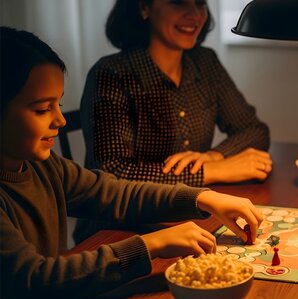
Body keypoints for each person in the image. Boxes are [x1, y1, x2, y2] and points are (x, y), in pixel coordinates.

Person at [0, 26, 263, 299]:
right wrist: (150, 245)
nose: (60, 120)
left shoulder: (44, 166)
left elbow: (113, 192)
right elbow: (36, 281)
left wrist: (201, 198)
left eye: (58, 104)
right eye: (42, 109)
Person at [81, 0, 272, 187]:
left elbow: (254, 130)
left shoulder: (205, 61)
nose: (195, 14)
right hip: (132, 217)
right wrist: (214, 171)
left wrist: (213, 157)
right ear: (144, 7)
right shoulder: (110, 74)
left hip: (194, 206)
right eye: (178, 2)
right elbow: (112, 172)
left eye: (199, 3)